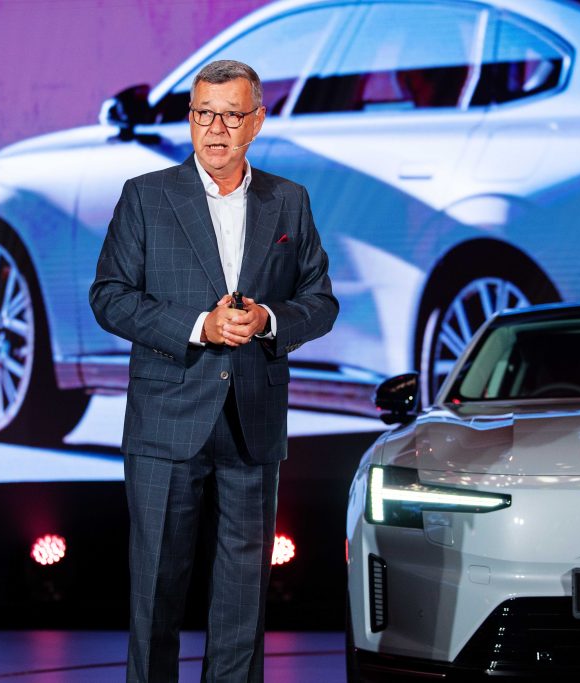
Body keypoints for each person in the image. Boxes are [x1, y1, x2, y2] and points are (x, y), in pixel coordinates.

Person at [89, 59, 338, 683]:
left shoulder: (289, 200)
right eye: (205, 114)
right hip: (166, 419)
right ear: (190, 118)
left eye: (231, 115)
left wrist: (269, 319)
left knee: (242, 600)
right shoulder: (146, 196)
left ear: (256, 122)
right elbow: (110, 297)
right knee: (155, 591)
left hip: (253, 421)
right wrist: (200, 326)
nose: (216, 129)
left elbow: (320, 301)